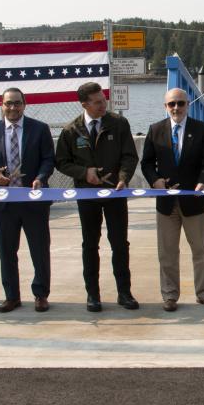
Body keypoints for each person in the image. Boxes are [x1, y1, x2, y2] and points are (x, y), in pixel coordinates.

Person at [56, 82, 140, 312]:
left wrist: (124, 177)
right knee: (90, 245)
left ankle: (124, 292)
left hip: (115, 194)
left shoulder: (119, 123)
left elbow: (129, 156)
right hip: (87, 196)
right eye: (97, 102)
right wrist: (85, 173)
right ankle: (92, 294)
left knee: (120, 244)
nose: (104, 104)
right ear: (84, 104)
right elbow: (62, 162)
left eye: (104, 100)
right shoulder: (71, 130)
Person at [140, 87, 204, 312]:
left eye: (181, 103)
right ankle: (169, 295)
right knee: (167, 252)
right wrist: (155, 181)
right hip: (166, 204)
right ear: (165, 107)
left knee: (200, 251)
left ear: (188, 105)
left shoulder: (202, 129)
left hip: (195, 201)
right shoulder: (155, 130)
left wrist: (203, 182)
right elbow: (146, 163)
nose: (176, 108)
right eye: (171, 104)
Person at [0, 88, 55, 313]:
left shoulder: (39, 129)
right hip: (4, 204)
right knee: (7, 251)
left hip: (33, 201)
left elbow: (48, 159)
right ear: (0, 105)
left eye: (17, 103)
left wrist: (41, 177)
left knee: (39, 250)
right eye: (8, 103)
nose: (13, 108)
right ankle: (12, 296)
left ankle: (41, 294)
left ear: (25, 104)